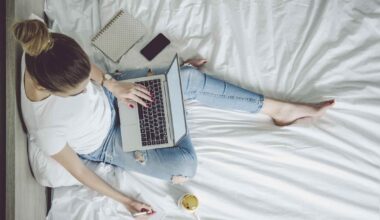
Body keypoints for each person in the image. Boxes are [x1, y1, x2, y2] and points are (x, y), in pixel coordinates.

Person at [13, 19, 334, 218]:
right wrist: (125, 201)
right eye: (77, 92)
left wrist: (110, 83)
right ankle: (172, 99)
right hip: (107, 143)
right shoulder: (46, 127)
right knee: (184, 167)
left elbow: (87, 72)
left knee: (186, 79)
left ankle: (278, 110)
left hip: (114, 96)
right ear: (46, 88)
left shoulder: (48, 47)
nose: (86, 90)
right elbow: (81, 171)